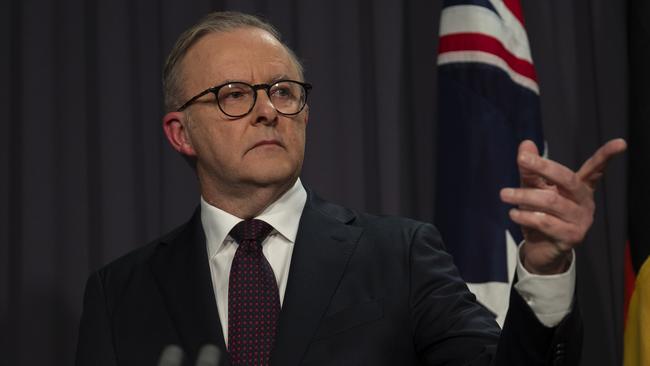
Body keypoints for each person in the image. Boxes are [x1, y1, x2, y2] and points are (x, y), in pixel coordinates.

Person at [75, 11, 627, 366]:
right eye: (234, 94)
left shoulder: (401, 256)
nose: (268, 110)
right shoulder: (119, 293)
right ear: (181, 133)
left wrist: (546, 266)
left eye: (284, 91)